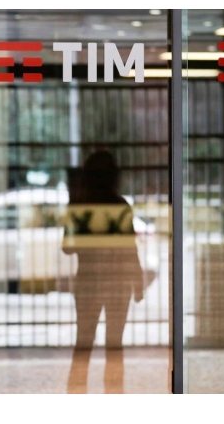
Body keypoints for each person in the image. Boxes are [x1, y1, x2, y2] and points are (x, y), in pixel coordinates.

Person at [62, 150, 144, 394]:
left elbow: (66, 247)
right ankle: (113, 397)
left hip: (88, 281)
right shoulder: (121, 205)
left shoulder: (78, 205)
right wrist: (137, 282)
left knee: (84, 342)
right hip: (118, 283)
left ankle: (76, 396)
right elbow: (130, 248)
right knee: (114, 346)